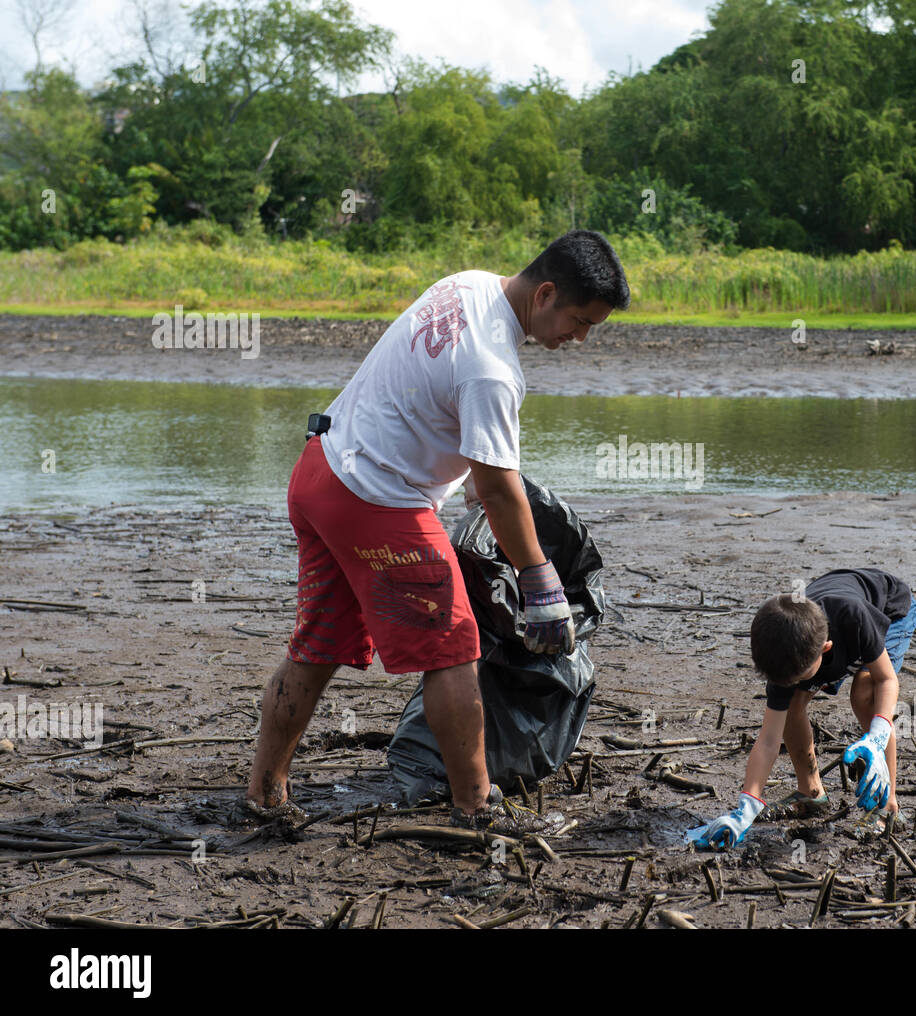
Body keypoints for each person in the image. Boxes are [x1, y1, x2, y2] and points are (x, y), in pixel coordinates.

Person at [244, 230, 629, 826]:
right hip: (375, 502)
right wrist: (540, 580)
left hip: (321, 469)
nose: (578, 338)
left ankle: (264, 793)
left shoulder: (467, 285)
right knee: (454, 649)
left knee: (315, 648)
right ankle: (476, 806)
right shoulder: (493, 370)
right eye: (579, 321)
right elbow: (500, 491)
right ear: (546, 293)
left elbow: (443, 421)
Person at [688, 568, 916, 848]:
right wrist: (744, 810)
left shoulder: (853, 617)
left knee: (865, 694)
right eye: (787, 679)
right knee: (793, 703)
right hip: (822, 635)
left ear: (825, 649)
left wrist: (876, 737)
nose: (793, 682)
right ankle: (811, 792)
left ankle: (888, 808)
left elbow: (887, 680)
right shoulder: (784, 655)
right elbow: (768, 741)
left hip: (889, 611)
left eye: (800, 675)